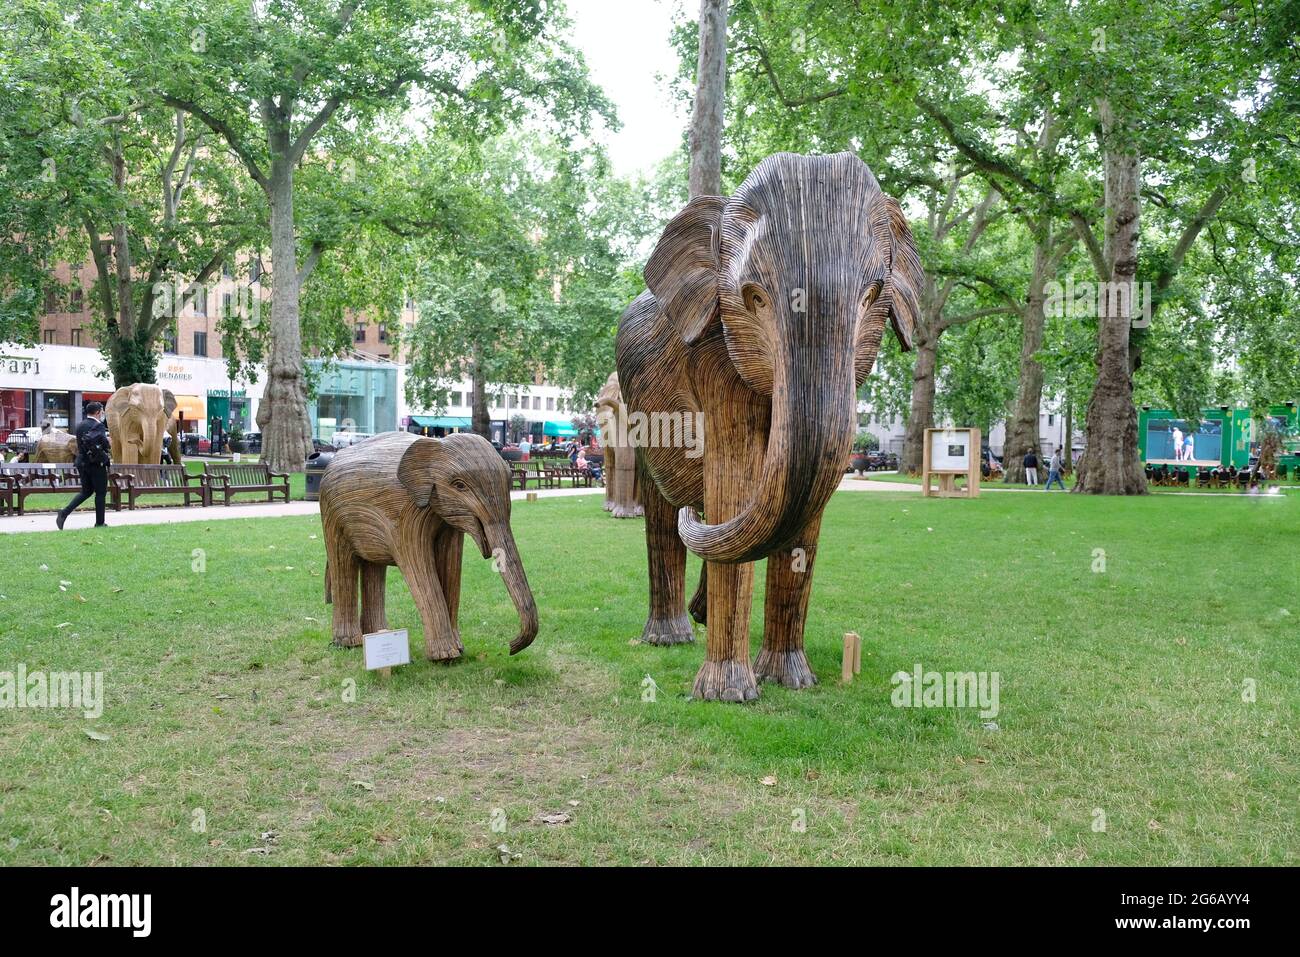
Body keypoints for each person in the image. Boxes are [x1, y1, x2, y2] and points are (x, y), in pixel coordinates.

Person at [56, 401, 112, 530]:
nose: (102, 414)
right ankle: (99, 523)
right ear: (98, 412)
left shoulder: (80, 425)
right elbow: (104, 445)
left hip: (82, 462)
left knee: (86, 491)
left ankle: (64, 513)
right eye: (101, 412)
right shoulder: (98, 426)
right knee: (101, 493)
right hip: (96, 463)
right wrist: (108, 442)